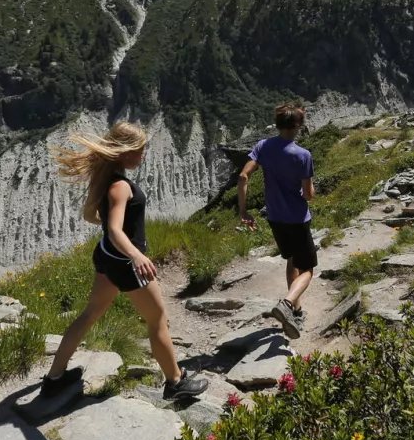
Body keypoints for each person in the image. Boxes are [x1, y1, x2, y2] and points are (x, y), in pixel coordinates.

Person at [38, 122, 207, 402]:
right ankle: (175, 382)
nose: (143, 155)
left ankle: (53, 380)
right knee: (157, 321)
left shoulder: (107, 179)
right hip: (125, 264)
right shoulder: (119, 186)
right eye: (139, 150)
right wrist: (137, 255)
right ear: (124, 152)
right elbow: (116, 230)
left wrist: (123, 243)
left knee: (89, 314)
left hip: (107, 256)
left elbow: (101, 221)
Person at [239, 103, 317, 338]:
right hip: (297, 217)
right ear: (296, 126)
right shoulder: (303, 155)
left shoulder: (263, 146)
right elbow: (308, 194)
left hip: (275, 216)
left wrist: (243, 211)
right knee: (308, 269)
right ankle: (287, 303)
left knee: (291, 260)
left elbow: (243, 176)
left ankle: (296, 311)